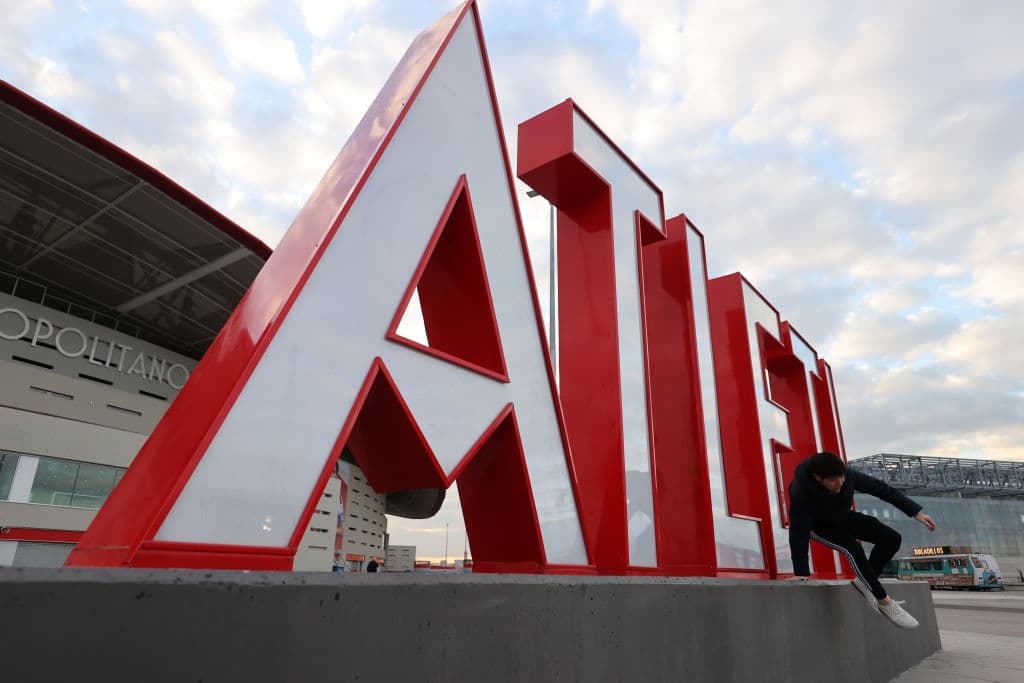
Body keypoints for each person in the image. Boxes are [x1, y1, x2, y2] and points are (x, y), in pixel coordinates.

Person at [787, 451, 936, 630]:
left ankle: (863, 582)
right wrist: (801, 571)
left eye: (841, 477)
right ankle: (885, 602)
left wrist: (915, 512)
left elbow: (881, 489)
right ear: (818, 478)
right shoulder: (800, 491)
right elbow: (798, 531)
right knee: (854, 550)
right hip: (818, 526)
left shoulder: (848, 476)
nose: (840, 483)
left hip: (842, 516)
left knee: (891, 538)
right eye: (833, 480)